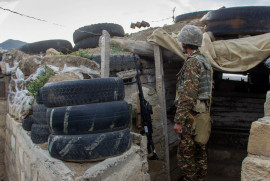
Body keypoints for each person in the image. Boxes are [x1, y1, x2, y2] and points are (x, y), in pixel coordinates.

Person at [173, 25, 213, 181]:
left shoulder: (192, 62)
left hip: (191, 118)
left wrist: (178, 121)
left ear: (185, 42)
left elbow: (188, 94)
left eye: (182, 41)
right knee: (200, 153)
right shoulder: (205, 61)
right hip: (201, 116)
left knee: (186, 157)